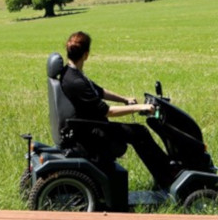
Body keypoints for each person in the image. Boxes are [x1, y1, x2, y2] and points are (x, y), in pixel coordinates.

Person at [60, 31, 175, 188]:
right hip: (92, 132)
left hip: (89, 126)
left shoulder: (71, 73)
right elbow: (108, 112)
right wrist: (139, 107)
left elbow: (98, 91)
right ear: (86, 54)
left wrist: (124, 99)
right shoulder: (76, 82)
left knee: (138, 132)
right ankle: (169, 177)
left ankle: (164, 176)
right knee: (139, 133)